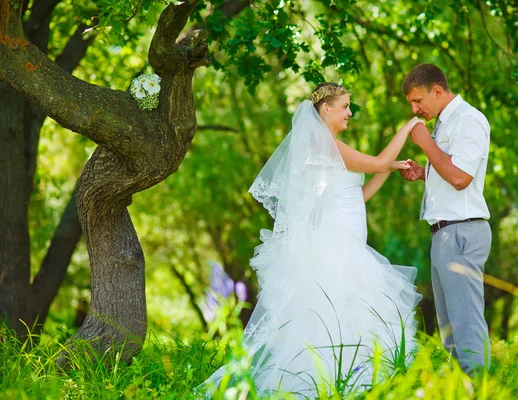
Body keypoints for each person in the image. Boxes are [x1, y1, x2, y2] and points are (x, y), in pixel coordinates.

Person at [200, 83, 422, 397]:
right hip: (335, 246)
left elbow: (359, 196)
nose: (349, 112)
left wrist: (389, 169)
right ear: (325, 109)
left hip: (350, 245)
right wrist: (407, 127)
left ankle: (350, 385)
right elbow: (375, 162)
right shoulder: (325, 146)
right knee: (330, 318)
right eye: (344, 106)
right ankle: (318, 387)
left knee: (352, 317)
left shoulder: (333, 146)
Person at [399, 63, 492, 375]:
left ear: (437, 90)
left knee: (466, 324)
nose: (414, 109)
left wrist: (425, 142)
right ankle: (461, 391)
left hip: (461, 233)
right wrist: (424, 173)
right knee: (450, 331)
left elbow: (460, 178)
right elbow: (447, 172)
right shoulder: (443, 123)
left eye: (418, 101)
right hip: (444, 234)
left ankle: (481, 392)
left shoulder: (470, 120)